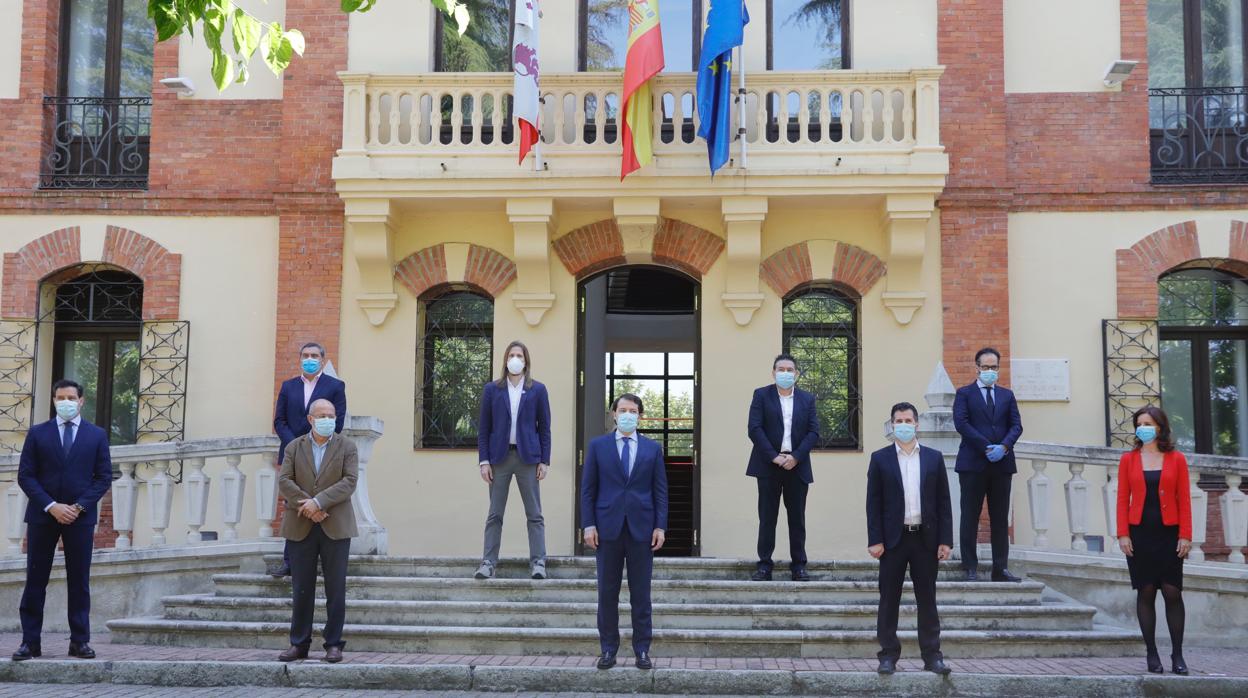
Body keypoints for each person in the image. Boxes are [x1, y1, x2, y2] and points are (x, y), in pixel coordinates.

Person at [13, 379, 112, 661]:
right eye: (60, 397)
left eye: (71, 397)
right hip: (43, 516)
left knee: (79, 580)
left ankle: (80, 641)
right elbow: (26, 476)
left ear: (81, 401)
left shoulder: (96, 435)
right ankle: (29, 643)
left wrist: (78, 507)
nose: (65, 401)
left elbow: (103, 477)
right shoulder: (37, 433)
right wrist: (52, 505)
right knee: (35, 579)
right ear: (54, 400)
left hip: (80, 518)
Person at [580, 393, 668, 671]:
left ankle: (642, 650)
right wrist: (588, 524)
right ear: (614, 414)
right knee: (607, 593)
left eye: (633, 410)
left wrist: (660, 526)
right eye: (623, 410)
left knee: (641, 595)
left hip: (642, 529)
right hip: (607, 529)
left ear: (640, 416)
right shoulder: (598, 446)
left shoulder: (653, 449)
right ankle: (608, 649)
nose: (628, 414)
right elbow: (588, 490)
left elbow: (660, 491)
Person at [866, 402, 953, 676]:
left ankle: (932, 656)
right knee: (888, 599)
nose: (903, 425)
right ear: (892, 425)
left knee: (927, 600)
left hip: (925, 540)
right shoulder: (880, 459)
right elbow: (874, 502)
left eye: (908, 420)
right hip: (893, 541)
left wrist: (945, 540)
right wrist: (875, 539)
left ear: (917, 424)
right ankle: (888, 655)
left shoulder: (933, 458)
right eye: (898, 421)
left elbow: (943, 502)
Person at [277, 398, 358, 664]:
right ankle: (299, 644)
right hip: (301, 524)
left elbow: (349, 481)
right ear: (311, 419)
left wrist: (319, 502)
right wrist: (309, 505)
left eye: (331, 415)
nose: (327, 419)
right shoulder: (293, 446)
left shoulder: (347, 446)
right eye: (322, 415)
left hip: (336, 524)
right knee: (302, 588)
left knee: (336, 589)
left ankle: (334, 644)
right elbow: (285, 480)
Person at [1116, 405, 1192, 676]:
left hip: (1169, 533)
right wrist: (1122, 533)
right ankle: (1151, 652)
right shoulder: (1128, 459)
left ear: (1159, 427)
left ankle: (1178, 654)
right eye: (1139, 424)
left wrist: (1186, 534)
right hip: (1139, 533)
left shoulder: (1177, 459)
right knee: (1146, 591)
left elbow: (1184, 498)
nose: (1143, 428)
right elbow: (1122, 498)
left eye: (1148, 423)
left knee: (1172, 591)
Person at [475, 340, 552, 580]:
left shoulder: (538, 390)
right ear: (505, 360)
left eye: (519, 355)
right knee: (495, 514)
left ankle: (538, 562)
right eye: (511, 355)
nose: (515, 359)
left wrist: (544, 460)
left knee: (534, 514)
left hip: (528, 459)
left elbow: (545, 428)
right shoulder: (493, 389)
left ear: (526, 361)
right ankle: (488, 563)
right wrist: (484, 461)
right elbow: (484, 428)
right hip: (499, 459)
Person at [271, 342, 347, 577]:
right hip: (294, 454)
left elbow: (339, 421)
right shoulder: (288, 386)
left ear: (323, 359)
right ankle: (289, 561)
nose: (309, 359)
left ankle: (324, 561)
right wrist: (297, 445)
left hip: (323, 453)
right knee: (293, 503)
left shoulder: (335, 386)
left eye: (314, 355)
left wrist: (313, 440)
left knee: (322, 500)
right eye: (305, 355)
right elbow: (279, 421)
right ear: (299, 358)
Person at [746, 354, 819, 581]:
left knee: (797, 518)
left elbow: (813, 432)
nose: (785, 373)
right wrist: (774, 457)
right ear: (773, 372)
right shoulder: (761, 395)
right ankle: (764, 565)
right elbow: (754, 428)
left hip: (797, 466)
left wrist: (795, 457)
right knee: (767, 517)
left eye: (790, 370)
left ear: (796, 374)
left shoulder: (807, 399)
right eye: (781, 369)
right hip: (769, 466)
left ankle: (798, 566)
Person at [952, 347, 1023, 582]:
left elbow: (1016, 425)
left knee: (1000, 518)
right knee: (969, 516)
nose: (990, 371)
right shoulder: (964, 393)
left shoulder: (1007, 395)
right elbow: (962, 423)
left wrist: (1003, 447)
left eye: (994, 367)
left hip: (1002, 464)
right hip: (973, 463)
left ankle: (999, 568)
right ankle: (969, 566)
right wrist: (985, 446)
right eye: (986, 367)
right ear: (977, 368)